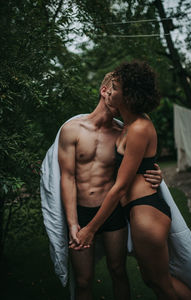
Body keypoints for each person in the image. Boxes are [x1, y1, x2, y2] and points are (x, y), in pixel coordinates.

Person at [75, 61, 191, 300]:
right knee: (153, 281)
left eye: (116, 87)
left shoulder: (139, 128)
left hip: (146, 213)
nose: (110, 91)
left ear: (129, 94)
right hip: (139, 210)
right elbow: (139, 165)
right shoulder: (130, 124)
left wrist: (91, 229)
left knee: (163, 285)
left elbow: (121, 186)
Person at [58, 72, 162, 300]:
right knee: (83, 280)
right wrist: (73, 223)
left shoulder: (123, 133)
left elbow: (137, 165)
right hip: (81, 213)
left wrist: (156, 174)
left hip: (112, 213)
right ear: (105, 91)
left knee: (118, 271)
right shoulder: (72, 130)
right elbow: (67, 178)